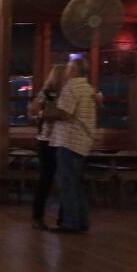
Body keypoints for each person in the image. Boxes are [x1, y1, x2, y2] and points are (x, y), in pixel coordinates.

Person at [42, 58, 97, 233]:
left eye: (68, 68)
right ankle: (82, 221)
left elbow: (64, 114)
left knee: (67, 183)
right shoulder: (88, 88)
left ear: (73, 71)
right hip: (83, 140)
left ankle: (71, 223)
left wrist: (43, 113)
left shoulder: (71, 87)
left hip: (69, 140)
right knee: (76, 183)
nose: (66, 71)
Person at [29, 64, 67, 229]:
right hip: (53, 139)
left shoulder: (46, 93)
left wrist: (40, 115)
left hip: (49, 139)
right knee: (50, 179)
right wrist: (43, 115)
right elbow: (34, 111)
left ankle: (40, 217)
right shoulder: (47, 94)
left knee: (48, 180)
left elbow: (33, 111)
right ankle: (57, 218)